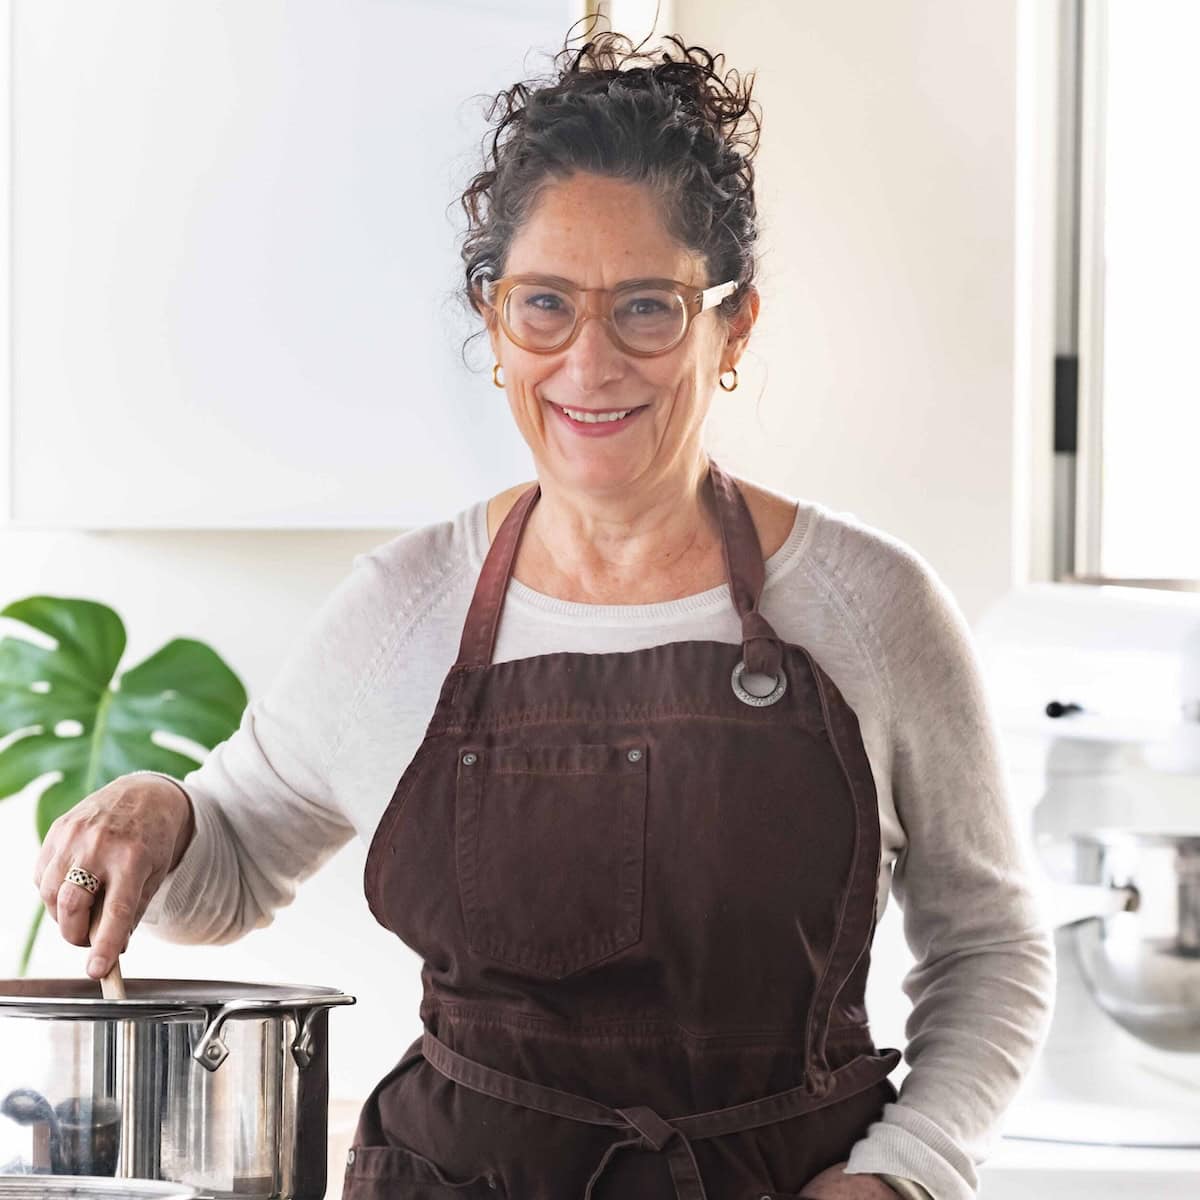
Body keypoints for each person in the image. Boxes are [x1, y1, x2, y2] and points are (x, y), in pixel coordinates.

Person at [33, 30, 1055, 1200]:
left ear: (736, 325)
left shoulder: (872, 609)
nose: (590, 362)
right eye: (545, 306)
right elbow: (234, 855)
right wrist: (155, 809)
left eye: (648, 310)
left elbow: (991, 951)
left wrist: (900, 1175)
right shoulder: (404, 609)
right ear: (493, 315)